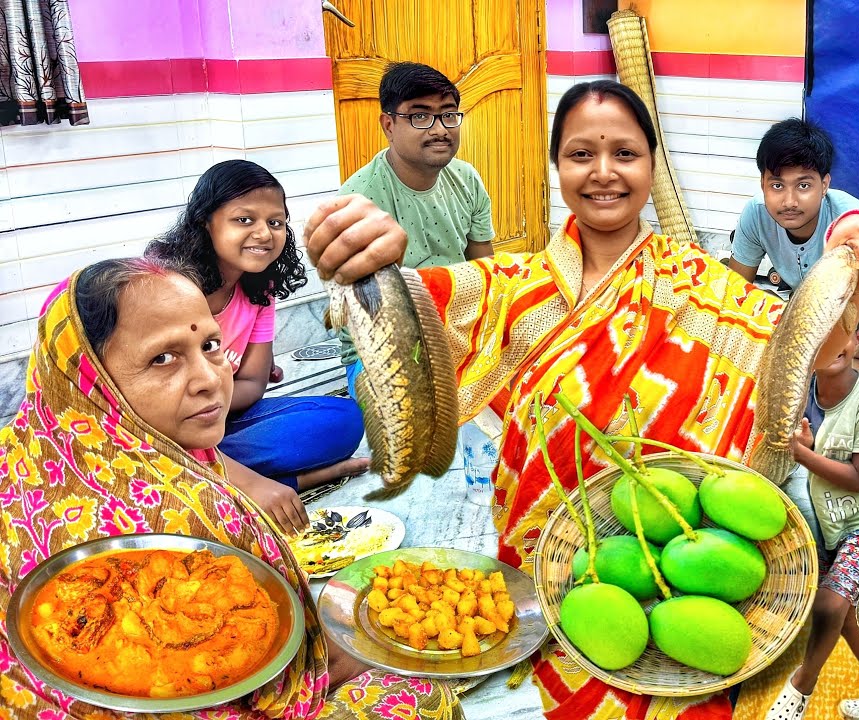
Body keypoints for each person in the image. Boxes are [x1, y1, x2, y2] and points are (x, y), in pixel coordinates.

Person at [301, 80, 859, 720]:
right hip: (552, 574)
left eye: (625, 153)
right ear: (558, 167)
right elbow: (411, 308)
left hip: (689, 579)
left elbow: (809, 345)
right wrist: (366, 256)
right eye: (580, 154)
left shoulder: (703, 287)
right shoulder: (514, 288)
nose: (603, 172)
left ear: (651, 164)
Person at [0, 258, 462, 719]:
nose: (208, 379)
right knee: (423, 700)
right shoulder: (177, 517)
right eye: (163, 358)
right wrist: (335, 661)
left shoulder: (35, 447)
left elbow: (252, 388)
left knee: (338, 418)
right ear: (88, 379)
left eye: (211, 344)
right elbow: (214, 689)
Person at [145, 160, 367, 533]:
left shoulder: (259, 288)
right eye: (244, 220)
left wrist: (212, 400)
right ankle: (257, 484)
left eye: (275, 222)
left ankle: (207, 474)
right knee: (160, 452)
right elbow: (155, 411)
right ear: (205, 223)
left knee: (344, 420)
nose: (264, 233)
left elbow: (253, 384)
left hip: (217, 421)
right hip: (156, 432)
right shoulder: (167, 289)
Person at [767, 337, 859, 720]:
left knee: (830, 604)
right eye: (825, 336)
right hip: (831, 519)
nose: (837, 344)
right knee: (844, 619)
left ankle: (801, 688)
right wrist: (807, 445)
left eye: (847, 333)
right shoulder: (804, 391)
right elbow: (819, 447)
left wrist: (803, 454)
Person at [338, 61, 495, 398]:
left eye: (449, 114)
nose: (440, 129)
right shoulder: (359, 202)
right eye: (420, 116)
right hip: (383, 352)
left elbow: (485, 273)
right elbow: (372, 317)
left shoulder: (467, 180)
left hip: (457, 330)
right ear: (388, 124)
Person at [728, 118, 859, 394]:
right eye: (777, 186)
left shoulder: (854, 222)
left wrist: (837, 345)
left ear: (824, 184)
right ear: (763, 183)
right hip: (808, 318)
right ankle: (816, 389)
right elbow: (735, 296)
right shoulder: (755, 214)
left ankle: (796, 387)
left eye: (803, 186)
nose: (789, 201)